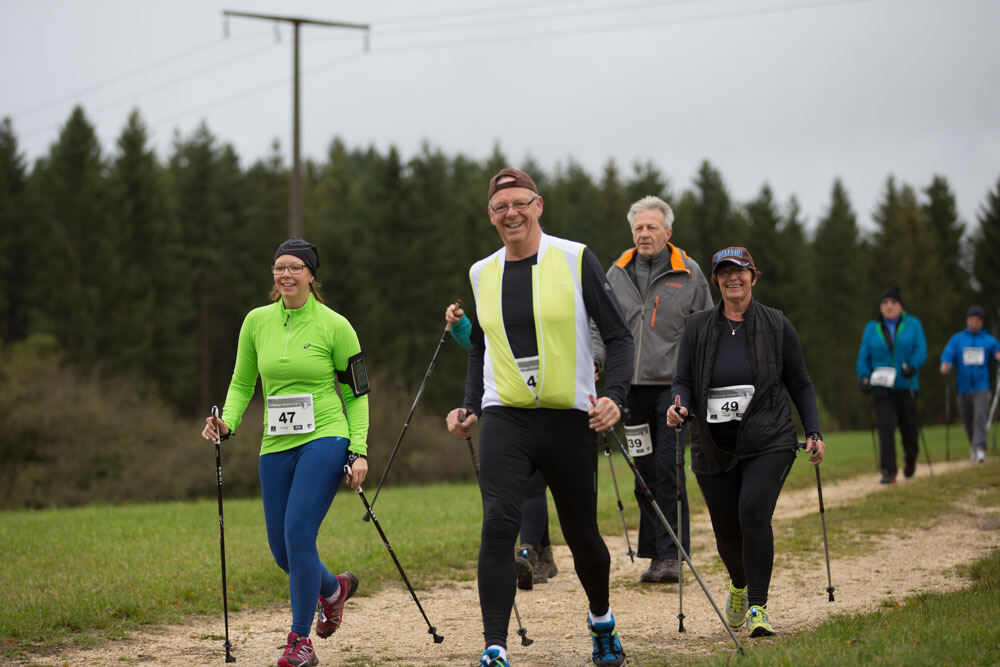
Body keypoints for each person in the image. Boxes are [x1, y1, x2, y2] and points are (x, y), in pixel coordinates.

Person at [445, 167, 634, 667]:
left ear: (538, 205)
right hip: (505, 416)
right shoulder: (482, 272)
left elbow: (619, 336)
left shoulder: (575, 258)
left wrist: (614, 394)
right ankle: (494, 646)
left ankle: (601, 620)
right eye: (500, 207)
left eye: (520, 203)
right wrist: (469, 404)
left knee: (582, 534)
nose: (511, 213)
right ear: (491, 216)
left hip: (568, 418)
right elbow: (479, 347)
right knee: (498, 525)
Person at [201, 237, 370, 667]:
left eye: (296, 267)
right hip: (275, 444)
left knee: (299, 534)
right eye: (280, 268)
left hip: (326, 437)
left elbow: (356, 395)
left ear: (312, 275)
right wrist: (227, 423)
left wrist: (359, 449)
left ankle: (300, 641)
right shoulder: (256, 322)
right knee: (283, 551)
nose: (287, 275)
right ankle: (333, 590)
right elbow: (242, 385)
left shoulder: (335, 325)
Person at [666, 246, 825, 639]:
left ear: (754, 275)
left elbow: (800, 382)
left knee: (753, 511)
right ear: (716, 279)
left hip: (769, 437)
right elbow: (682, 380)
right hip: (713, 443)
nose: (732, 278)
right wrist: (679, 406)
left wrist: (814, 431)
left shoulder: (776, 324)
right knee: (726, 533)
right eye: (724, 272)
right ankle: (738, 583)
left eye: (740, 271)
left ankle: (758, 605)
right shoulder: (698, 326)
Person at [593, 196, 712, 584]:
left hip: (673, 390)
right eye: (639, 228)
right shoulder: (616, 272)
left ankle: (673, 555)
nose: (645, 234)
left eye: (652, 228)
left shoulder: (689, 273)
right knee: (642, 470)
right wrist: (596, 361)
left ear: (668, 232)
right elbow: (599, 326)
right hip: (630, 391)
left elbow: (706, 331)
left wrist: (699, 383)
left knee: (669, 468)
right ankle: (655, 556)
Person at [445, 302, 559, 589]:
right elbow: (482, 346)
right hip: (506, 408)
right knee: (526, 482)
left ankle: (528, 552)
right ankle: (541, 553)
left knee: (533, 484)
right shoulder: (496, 290)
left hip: (548, 404)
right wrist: (460, 325)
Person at [855, 285, 927, 484]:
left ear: (901, 306)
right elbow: (863, 356)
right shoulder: (872, 328)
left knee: (909, 429)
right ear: (880, 307)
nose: (889, 306)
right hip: (881, 386)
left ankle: (910, 460)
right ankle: (889, 470)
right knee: (885, 428)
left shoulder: (913, 324)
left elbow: (921, 349)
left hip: (906, 383)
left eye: (893, 302)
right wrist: (863, 376)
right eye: (885, 303)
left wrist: (912, 366)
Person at [940, 305, 1000, 463]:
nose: (974, 323)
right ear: (967, 320)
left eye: (977, 320)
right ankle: (974, 446)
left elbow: (997, 353)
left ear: (982, 322)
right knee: (967, 420)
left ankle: (980, 449)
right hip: (963, 387)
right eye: (971, 319)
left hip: (982, 386)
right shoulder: (958, 339)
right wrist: (946, 364)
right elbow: (948, 354)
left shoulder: (989, 341)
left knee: (980, 416)